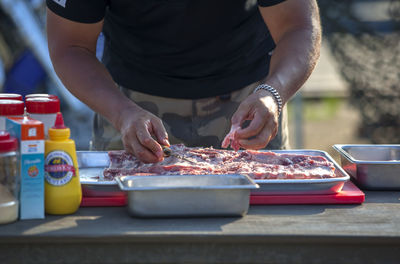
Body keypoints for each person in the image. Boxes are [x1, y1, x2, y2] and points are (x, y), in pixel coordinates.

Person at [46, 0, 321, 163]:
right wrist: (122, 113)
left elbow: (298, 25)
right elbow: (71, 46)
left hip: (248, 105)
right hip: (129, 106)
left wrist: (273, 94)